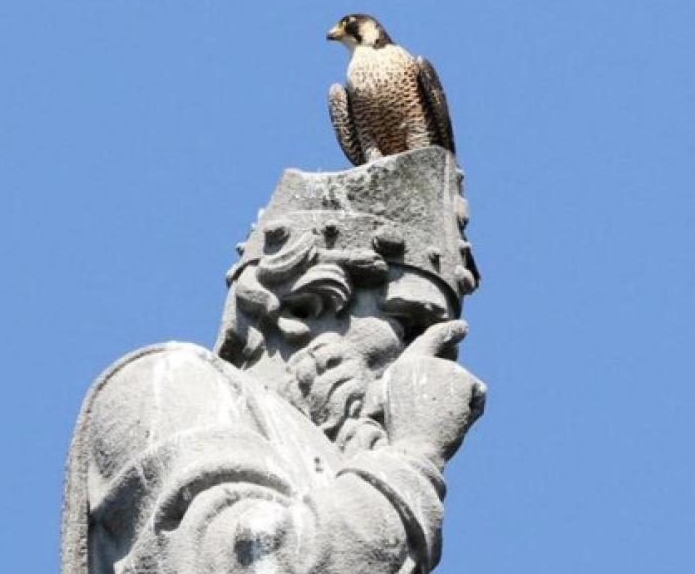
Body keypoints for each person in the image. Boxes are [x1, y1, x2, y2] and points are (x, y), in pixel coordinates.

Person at [61, 148, 484, 574]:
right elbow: (248, 564)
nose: (424, 371)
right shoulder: (171, 382)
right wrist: (413, 455)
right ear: (302, 308)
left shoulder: (365, 488)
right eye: (407, 325)